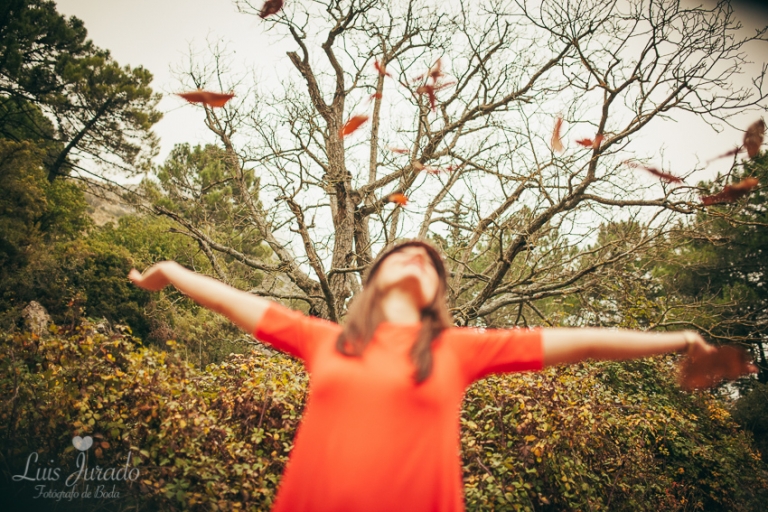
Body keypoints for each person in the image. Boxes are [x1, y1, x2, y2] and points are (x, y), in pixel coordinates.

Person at [128, 239, 716, 512]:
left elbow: (583, 343)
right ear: (373, 277)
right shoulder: (324, 339)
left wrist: (679, 338)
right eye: (400, 253)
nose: (417, 258)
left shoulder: (460, 349)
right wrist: (171, 268)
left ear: (439, 293)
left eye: (431, 263)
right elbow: (232, 300)